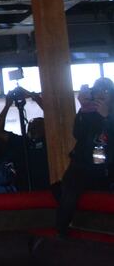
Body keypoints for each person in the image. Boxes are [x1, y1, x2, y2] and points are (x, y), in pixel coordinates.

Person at [56, 77, 114, 237]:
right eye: (97, 90)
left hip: (108, 169)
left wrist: (107, 117)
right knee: (67, 188)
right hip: (84, 167)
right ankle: (61, 234)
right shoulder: (89, 112)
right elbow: (78, 134)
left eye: (106, 91)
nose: (101, 94)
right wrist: (83, 108)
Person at [0, 88, 49, 191]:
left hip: (47, 189)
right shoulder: (20, 142)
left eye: (39, 124)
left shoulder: (49, 141)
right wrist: (7, 105)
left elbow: (52, 116)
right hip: (24, 190)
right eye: (32, 124)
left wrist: (36, 98)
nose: (34, 125)